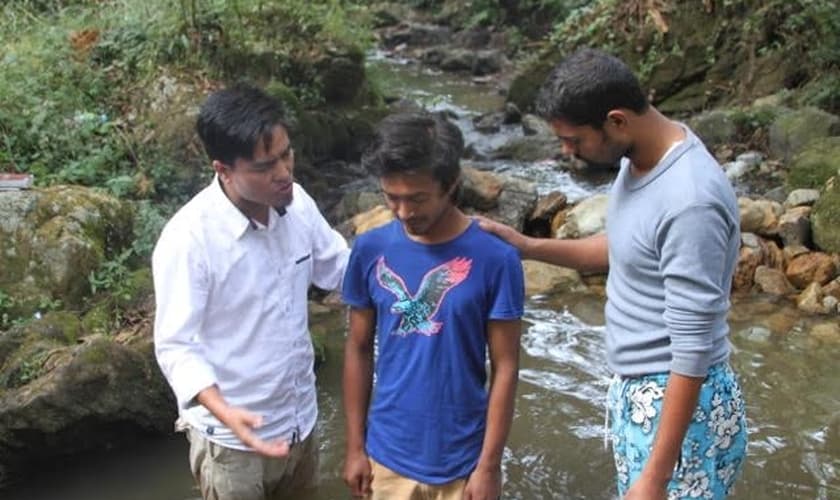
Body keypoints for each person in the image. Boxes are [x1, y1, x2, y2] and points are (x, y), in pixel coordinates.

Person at [478, 48, 748, 500]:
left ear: (617, 121)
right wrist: (529, 247)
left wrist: (655, 478)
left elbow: (692, 348)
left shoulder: (690, 202)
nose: (567, 152)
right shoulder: (642, 158)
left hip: (679, 405)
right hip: (647, 393)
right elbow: (627, 246)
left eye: (575, 139)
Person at [152, 83, 349, 500]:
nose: (283, 173)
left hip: (301, 420)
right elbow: (175, 346)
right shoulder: (189, 240)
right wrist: (225, 413)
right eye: (264, 167)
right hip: (232, 443)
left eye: (286, 154)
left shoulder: (298, 206)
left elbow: (341, 270)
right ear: (223, 169)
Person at [341, 112, 525, 500]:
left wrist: (488, 466)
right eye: (392, 198)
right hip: (385, 458)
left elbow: (506, 365)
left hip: (463, 462)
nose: (404, 212)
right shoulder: (370, 250)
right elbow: (358, 348)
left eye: (418, 199)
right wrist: (355, 448)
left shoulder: (496, 258)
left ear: (451, 184)